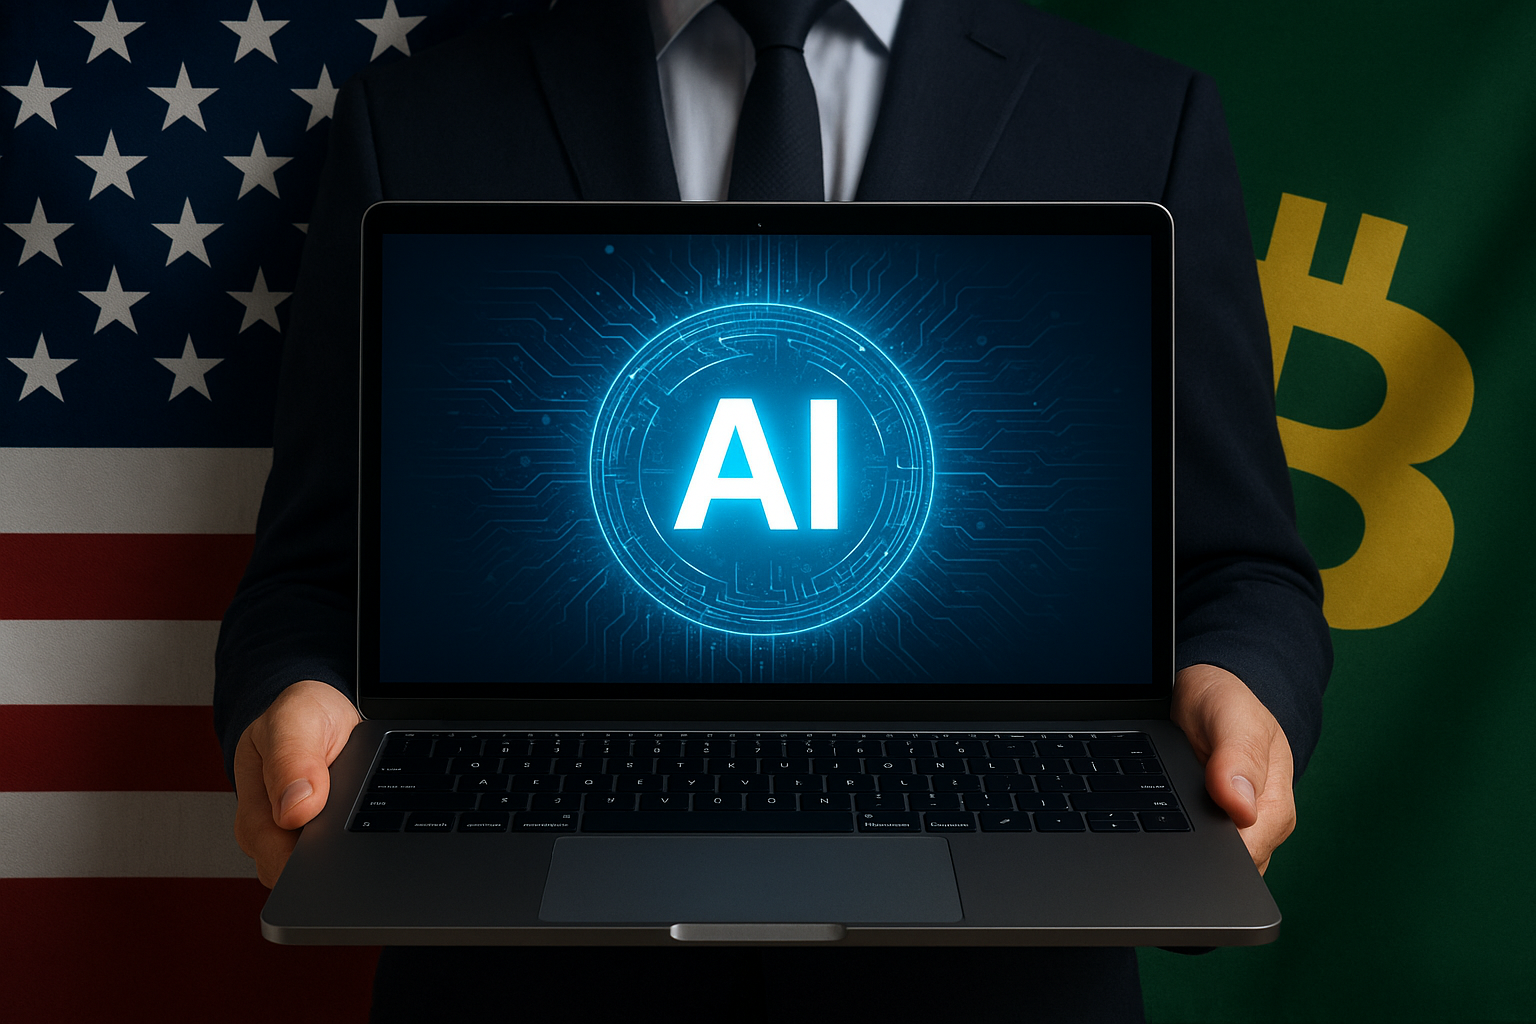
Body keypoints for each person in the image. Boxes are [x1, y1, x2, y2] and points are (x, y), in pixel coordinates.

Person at [215, 1, 1331, 1020]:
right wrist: (291, 694)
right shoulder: (418, 120)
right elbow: (312, 576)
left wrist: (1243, 685)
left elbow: (1243, 569)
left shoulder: (1140, 117)